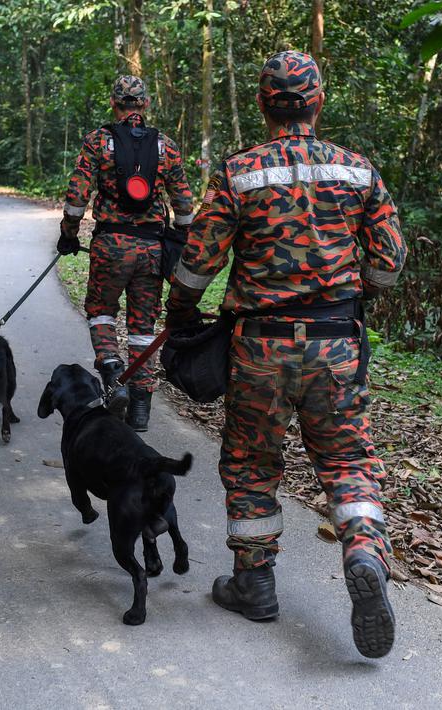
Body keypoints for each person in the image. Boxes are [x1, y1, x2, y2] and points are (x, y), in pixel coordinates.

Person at [164, 51, 406, 658]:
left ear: (263, 104)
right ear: (319, 101)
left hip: (260, 346)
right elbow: (389, 264)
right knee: (348, 460)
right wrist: (360, 289)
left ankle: (254, 584)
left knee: (250, 462)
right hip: (336, 344)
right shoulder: (357, 170)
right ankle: (364, 553)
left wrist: (182, 316)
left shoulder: (239, 172)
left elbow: (198, 263)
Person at [59, 75, 193, 432]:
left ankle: (112, 369)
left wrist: (68, 235)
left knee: (101, 312)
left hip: (110, 248)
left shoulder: (97, 142)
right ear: (146, 105)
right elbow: (184, 205)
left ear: (113, 104)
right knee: (142, 327)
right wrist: (181, 241)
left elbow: (76, 199)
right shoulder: (167, 147)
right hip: (152, 249)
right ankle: (140, 409)